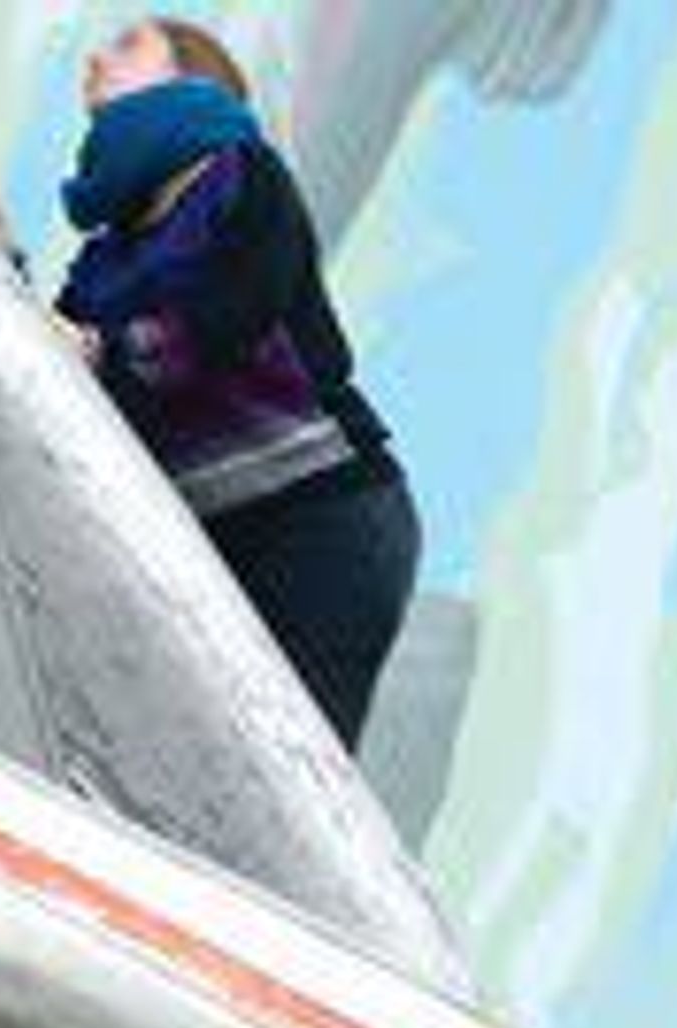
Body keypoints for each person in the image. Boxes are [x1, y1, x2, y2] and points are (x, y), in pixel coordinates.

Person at [55, 18, 422, 747]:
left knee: (300, 760)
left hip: (325, 524)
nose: (97, 56)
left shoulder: (244, 179)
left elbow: (232, 310)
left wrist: (104, 350)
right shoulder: (107, 258)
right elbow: (65, 374)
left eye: (130, 43)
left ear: (190, 81)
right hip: (220, 544)